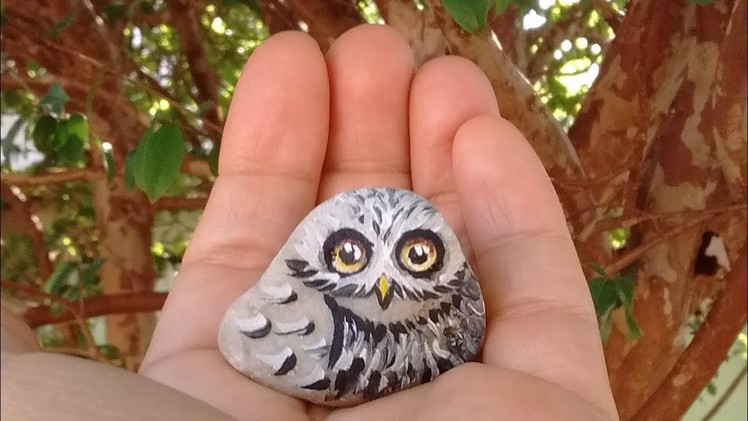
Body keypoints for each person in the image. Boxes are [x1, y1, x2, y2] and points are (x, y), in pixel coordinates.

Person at [1, 25, 619, 420]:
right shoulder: (282, 313)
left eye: (416, 257)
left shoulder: (457, 324)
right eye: (351, 255)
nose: (384, 284)